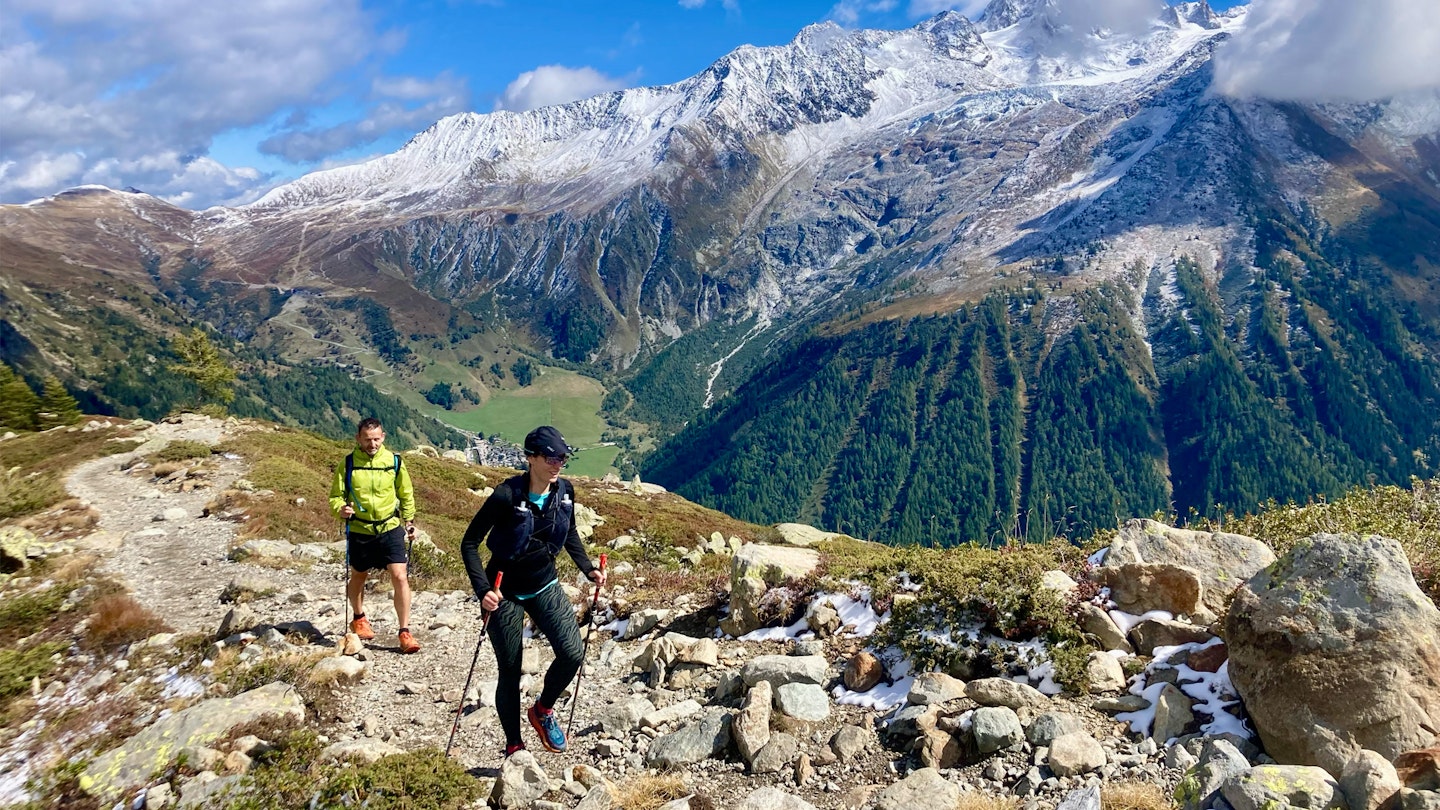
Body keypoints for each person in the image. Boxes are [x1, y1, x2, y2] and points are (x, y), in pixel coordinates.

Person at [460, 425, 605, 756]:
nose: (558, 465)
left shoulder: (565, 491)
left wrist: (588, 569)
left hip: (544, 583)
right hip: (503, 590)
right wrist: (482, 589)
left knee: (572, 653)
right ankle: (514, 745)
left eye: (563, 459)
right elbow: (469, 543)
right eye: (552, 458)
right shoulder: (506, 496)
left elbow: (568, 533)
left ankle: (542, 710)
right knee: (510, 671)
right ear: (531, 458)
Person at [329, 417, 421, 654]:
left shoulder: (395, 462)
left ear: (384, 437)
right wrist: (341, 509)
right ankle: (358, 617)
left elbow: (406, 492)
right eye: (368, 439)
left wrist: (409, 521)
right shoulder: (348, 463)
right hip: (360, 529)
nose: (373, 444)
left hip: (390, 527)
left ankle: (404, 631)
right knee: (359, 575)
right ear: (358, 438)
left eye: (377, 439)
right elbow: (336, 496)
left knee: (400, 576)